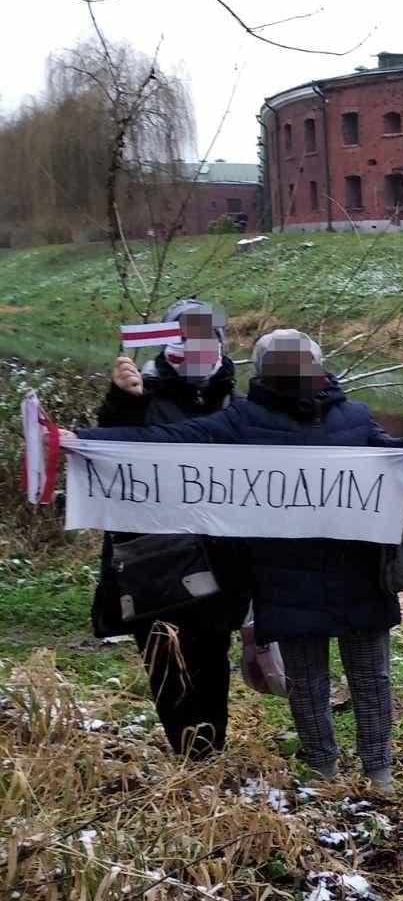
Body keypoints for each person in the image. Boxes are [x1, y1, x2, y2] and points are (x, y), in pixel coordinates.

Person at [66, 328, 403, 797]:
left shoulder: (356, 416)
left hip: (357, 572)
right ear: (263, 372)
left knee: (371, 676)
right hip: (286, 576)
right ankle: (323, 772)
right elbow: (164, 442)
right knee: (306, 681)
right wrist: (81, 441)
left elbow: (383, 457)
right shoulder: (241, 420)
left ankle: (379, 773)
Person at [91, 297, 250, 760]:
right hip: (153, 558)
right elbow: (110, 449)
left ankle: (209, 752)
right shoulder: (140, 393)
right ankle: (189, 754)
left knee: (211, 655)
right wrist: (123, 399)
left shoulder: (238, 403)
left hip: (220, 556)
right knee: (164, 654)